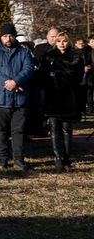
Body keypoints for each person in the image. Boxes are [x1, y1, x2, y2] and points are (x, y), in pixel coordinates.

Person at [0, 23, 35, 173]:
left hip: (20, 98)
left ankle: (19, 160)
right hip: (0, 98)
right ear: (1, 37)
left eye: (11, 35)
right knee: (1, 131)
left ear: (15, 36)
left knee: (18, 131)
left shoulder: (23, 52)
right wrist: (8, 83)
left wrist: (16, 81)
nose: (8, 38)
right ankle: (2, 160)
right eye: (5, 36)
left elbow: (28, 69)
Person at [40, 31, 83, 170]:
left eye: (64, 41)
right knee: (54, 129)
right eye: (59, 41)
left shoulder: (75, 56)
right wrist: (53, 77)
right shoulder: (48, 57)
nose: (62, 44)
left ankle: (66, 157)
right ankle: (58, 157)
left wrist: (62, 76)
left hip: (69, 96)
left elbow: (77, 76)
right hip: (53, 97)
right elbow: (43, 76)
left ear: (68, 41)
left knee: (67, 129)